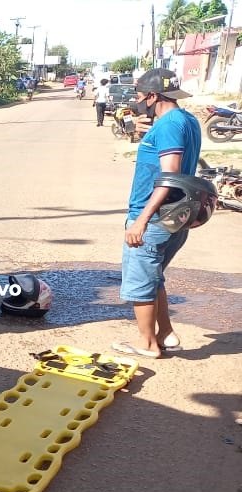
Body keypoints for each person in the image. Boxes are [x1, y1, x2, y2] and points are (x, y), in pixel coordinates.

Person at [112, 68, 200, 359]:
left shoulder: (169, 125)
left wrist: (142, 219)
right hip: (176, 214)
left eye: (139, 95)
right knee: (154, 276)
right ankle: (165, 333)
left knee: (141, 280)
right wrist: (148, 136)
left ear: (152, 96)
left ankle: (147, 343)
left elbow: (170, 174)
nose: (136, 101)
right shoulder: (186, 120)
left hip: (156, 214)